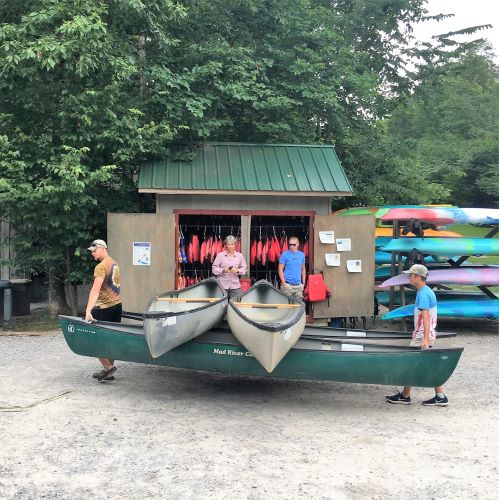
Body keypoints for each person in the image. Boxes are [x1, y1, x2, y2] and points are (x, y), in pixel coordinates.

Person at [386, 264, 449, 406]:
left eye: (410, 275)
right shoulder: (425, 291)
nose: (409, 277)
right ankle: (439, 395)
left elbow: (426, 318)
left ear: (418, 277)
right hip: (424, 334)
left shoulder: (423, 294)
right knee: (426, 365)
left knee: (410, 364)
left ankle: (405, 396)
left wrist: (425, 339)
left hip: (422, 336)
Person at [85, 239, 122, 382]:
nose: (92, 253)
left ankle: (108, 368)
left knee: (92, 338)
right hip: (117, 306)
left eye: (94, 250)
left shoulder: (100, 267)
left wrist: (88, 310)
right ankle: (109, 372)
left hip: (104, 308)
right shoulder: (115, 264)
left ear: (101, 248)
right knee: (111, 340)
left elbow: (95, 290)